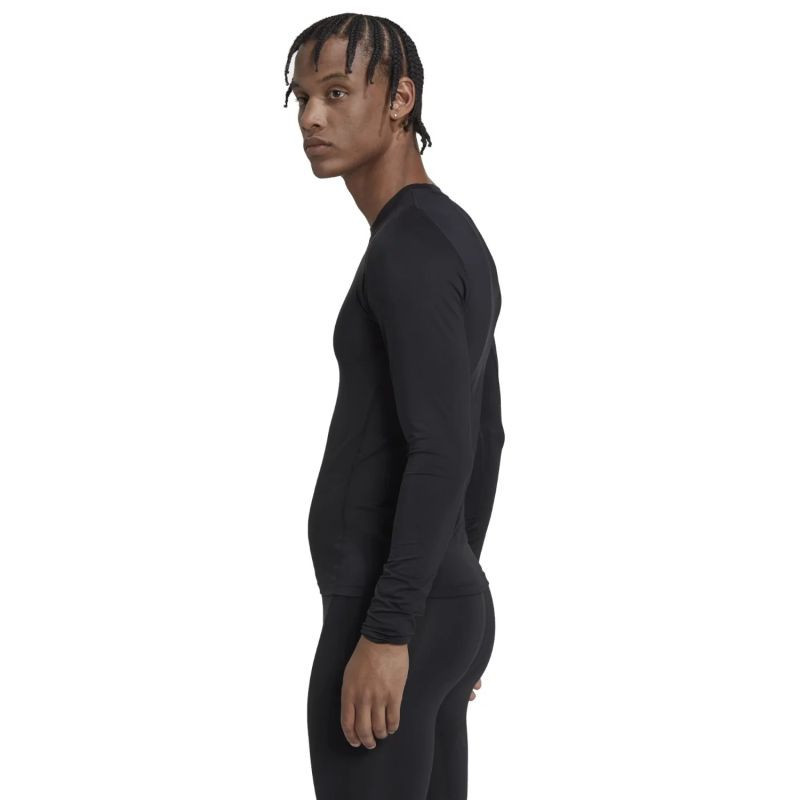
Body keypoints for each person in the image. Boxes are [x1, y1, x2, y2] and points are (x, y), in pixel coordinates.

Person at [284, 13, 505, 799]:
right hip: (439, 604)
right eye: (301, 97)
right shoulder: (449, 234)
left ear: (400, 98)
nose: (311, 117)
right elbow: (488, 432)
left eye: (337, 92)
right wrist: (451, 587)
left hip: (386, 614)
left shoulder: (408, 250)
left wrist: (390, 628)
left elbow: (446, 447)